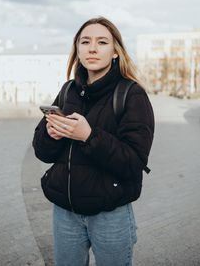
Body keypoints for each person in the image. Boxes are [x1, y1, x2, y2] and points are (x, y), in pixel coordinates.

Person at [32, 16, 155, 266]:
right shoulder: (68, 90)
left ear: (115, 52)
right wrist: (51, 134)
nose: (92, 48)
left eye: (102, 42)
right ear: (77, 49)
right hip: (65, 213)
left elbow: (134, 163)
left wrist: (89, 136)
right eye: (85, 41)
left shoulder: (131, 94)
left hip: (110, 215)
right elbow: (42, 152)